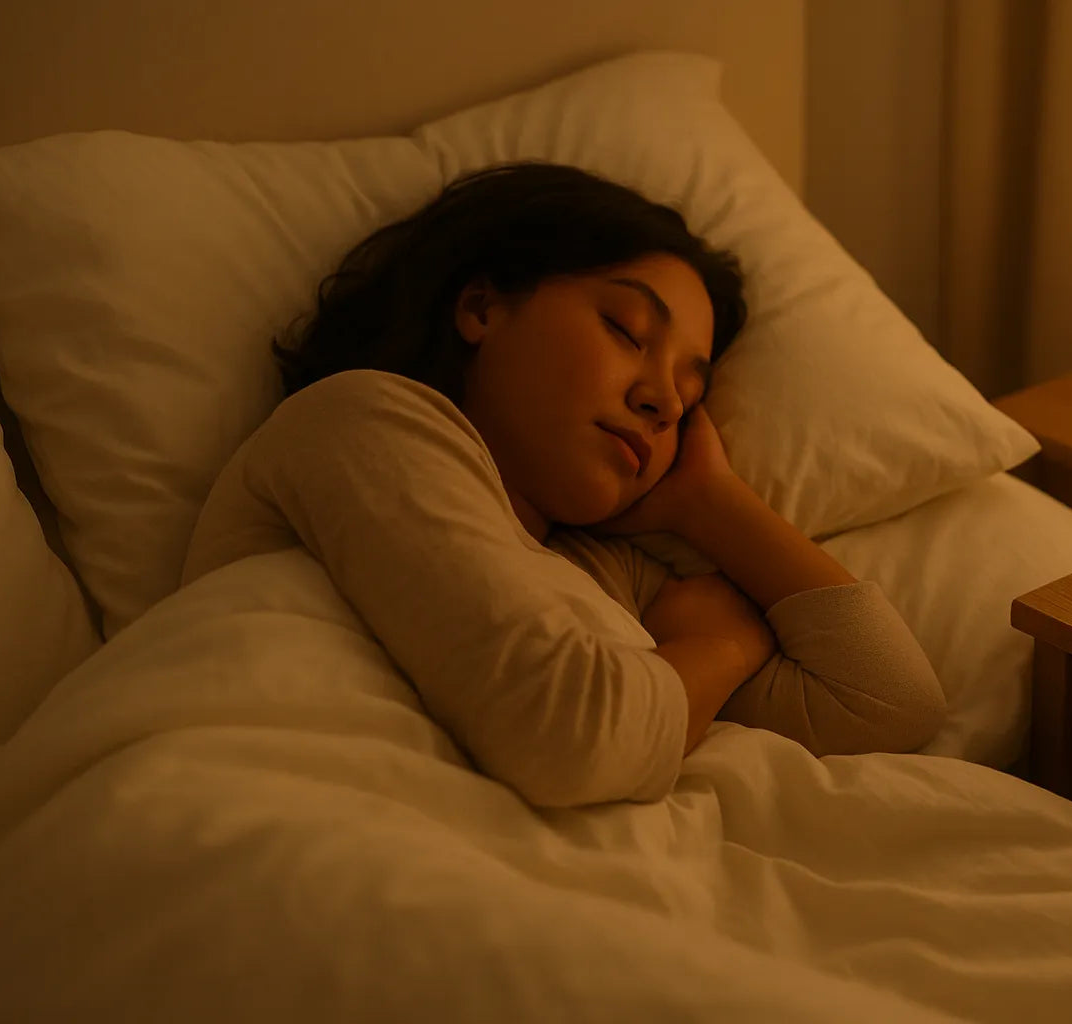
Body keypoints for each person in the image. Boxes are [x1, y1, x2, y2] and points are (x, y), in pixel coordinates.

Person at [182, 162, 944, 807]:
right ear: (482, 307)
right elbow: (570, 734)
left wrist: (711, 503)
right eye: (626, 331)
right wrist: (723, 643)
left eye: (689, 394)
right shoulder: (357, 422)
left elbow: (888, 703)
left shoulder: (600, 574)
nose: (664, 400)